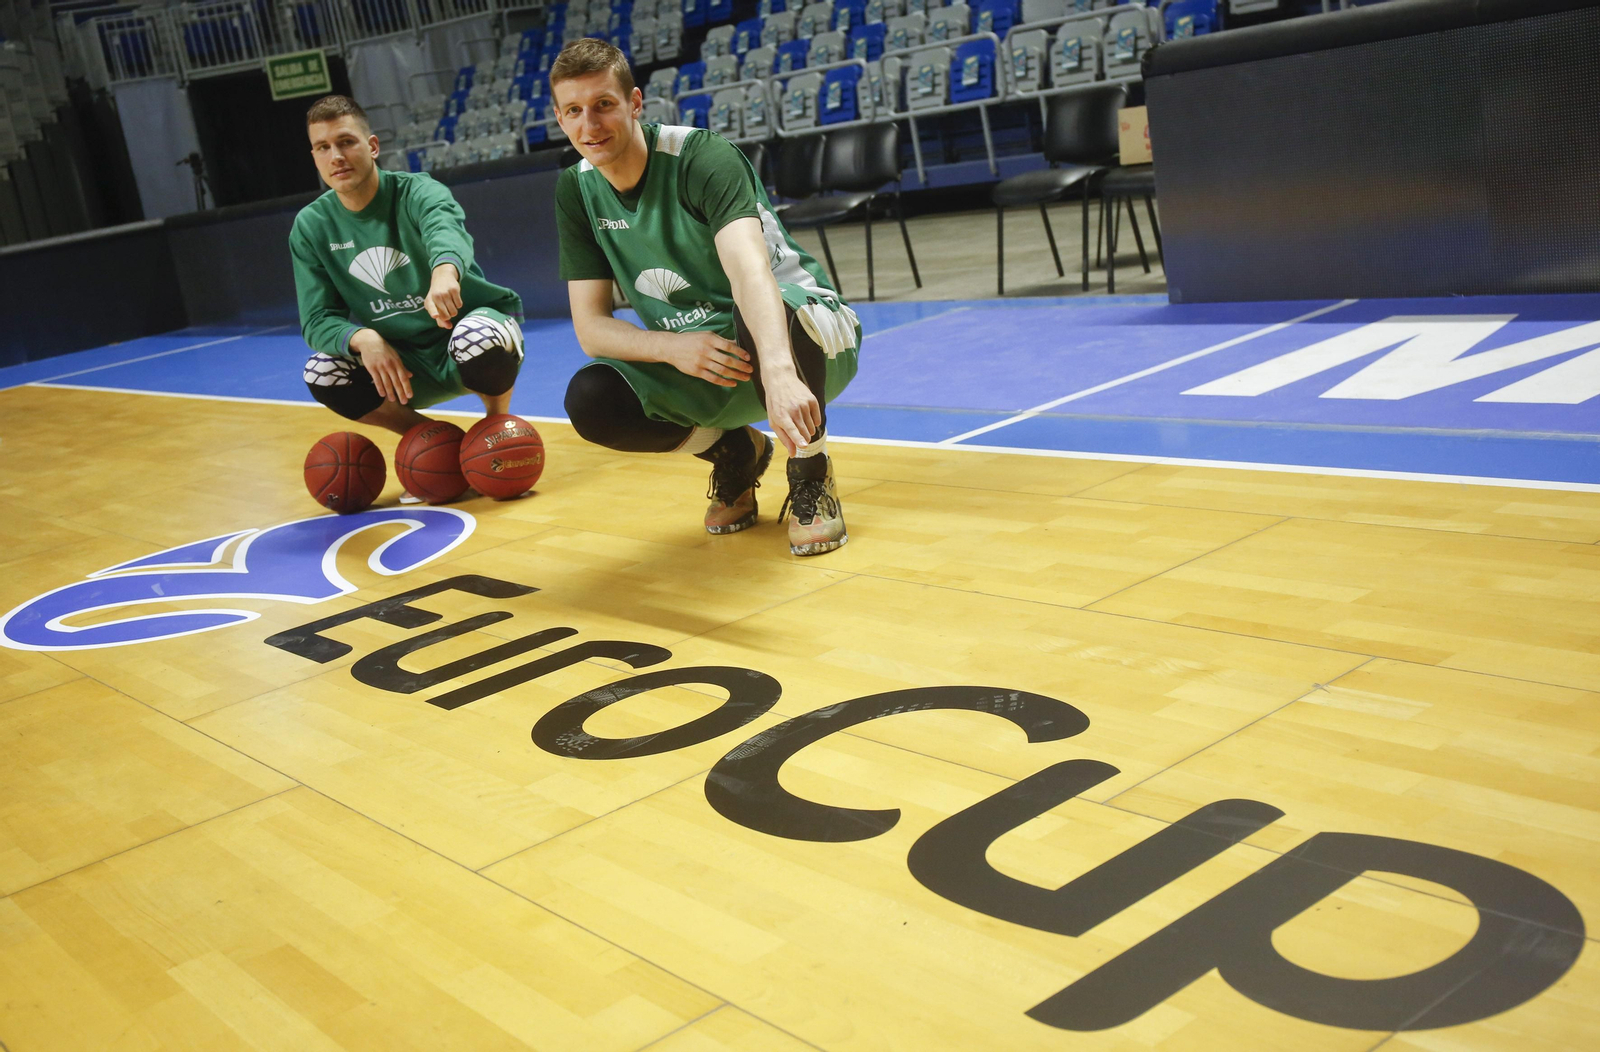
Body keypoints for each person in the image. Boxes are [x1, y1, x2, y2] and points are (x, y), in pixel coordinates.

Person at [549, 38, 861, 556]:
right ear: (560, 119)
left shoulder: (701, 157)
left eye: (604, 104)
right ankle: (735, 450)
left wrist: (779, 372)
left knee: (773, 308)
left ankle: (811, 472)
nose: (591, 125)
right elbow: (591, 328)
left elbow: (750, 272)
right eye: (574, 111)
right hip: (710, 358)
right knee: (593, 398)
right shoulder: (576, 190)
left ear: (634, 103)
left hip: (807, 335)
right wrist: (670, 347)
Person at [291, 95, 526, 457]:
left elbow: (445, 230)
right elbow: (316, 319)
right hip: (402, 366)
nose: (335, 156)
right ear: (314, 157)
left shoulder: (418, 191)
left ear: (372, 146)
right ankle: (431, 440)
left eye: (346, 141)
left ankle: (496, 428)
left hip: (465, 337)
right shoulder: (311, 226)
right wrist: (363, 337)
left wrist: (444, 272)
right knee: (322, 371)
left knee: (475, 337)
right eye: (323, 147)